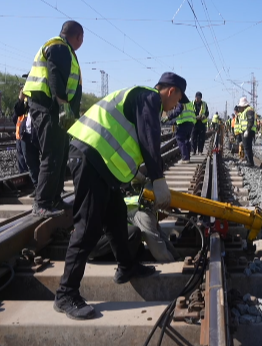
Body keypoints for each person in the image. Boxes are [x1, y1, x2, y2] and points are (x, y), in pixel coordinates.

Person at [54, 72, 188, 320]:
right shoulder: (149, 98)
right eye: (179, 99)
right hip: (90, 157)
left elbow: (132, 140)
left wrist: (135, 174)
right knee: (88, 228)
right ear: (171, 91)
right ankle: (65, 293)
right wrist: (158, 179)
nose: (177, 106)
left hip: (100, 163)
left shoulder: (142, 99)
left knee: (116, 218)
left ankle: (126, 267)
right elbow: (149, 141)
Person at [23, 20, 84, 218]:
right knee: (52, 154)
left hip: (53, 108)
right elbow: (55, 77)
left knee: (61, 153)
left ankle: (55, 198)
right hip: (48, 108)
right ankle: (42, 203)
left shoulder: (63, 48)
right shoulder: (58, 47)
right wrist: (63, 106)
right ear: (78, 37)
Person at [165, 99, 194, 163]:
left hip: (183, 124)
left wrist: (169, 117)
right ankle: (187, 158)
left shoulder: (180, 102)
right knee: (186, 140)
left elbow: (178, 111)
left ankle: (185, 158)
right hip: (190, 123)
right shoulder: (189, 103)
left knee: (179, 138)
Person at [13, 89, 29, 174]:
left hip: (25, 135)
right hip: (20, 134)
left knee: (25, 159)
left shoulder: (28, 101)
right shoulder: (23, 101)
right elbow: (15, 117)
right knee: (22, 159)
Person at [237, 97, 256, 166]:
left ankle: (250, 162)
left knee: (247, 147)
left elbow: (251, 121)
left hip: (248, 131)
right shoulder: (244, 111)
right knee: (246, 146)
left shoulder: (249, 110)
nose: (239, 108)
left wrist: (247, 130)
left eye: (240, 107)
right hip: (245, 131)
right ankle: (248, 160)